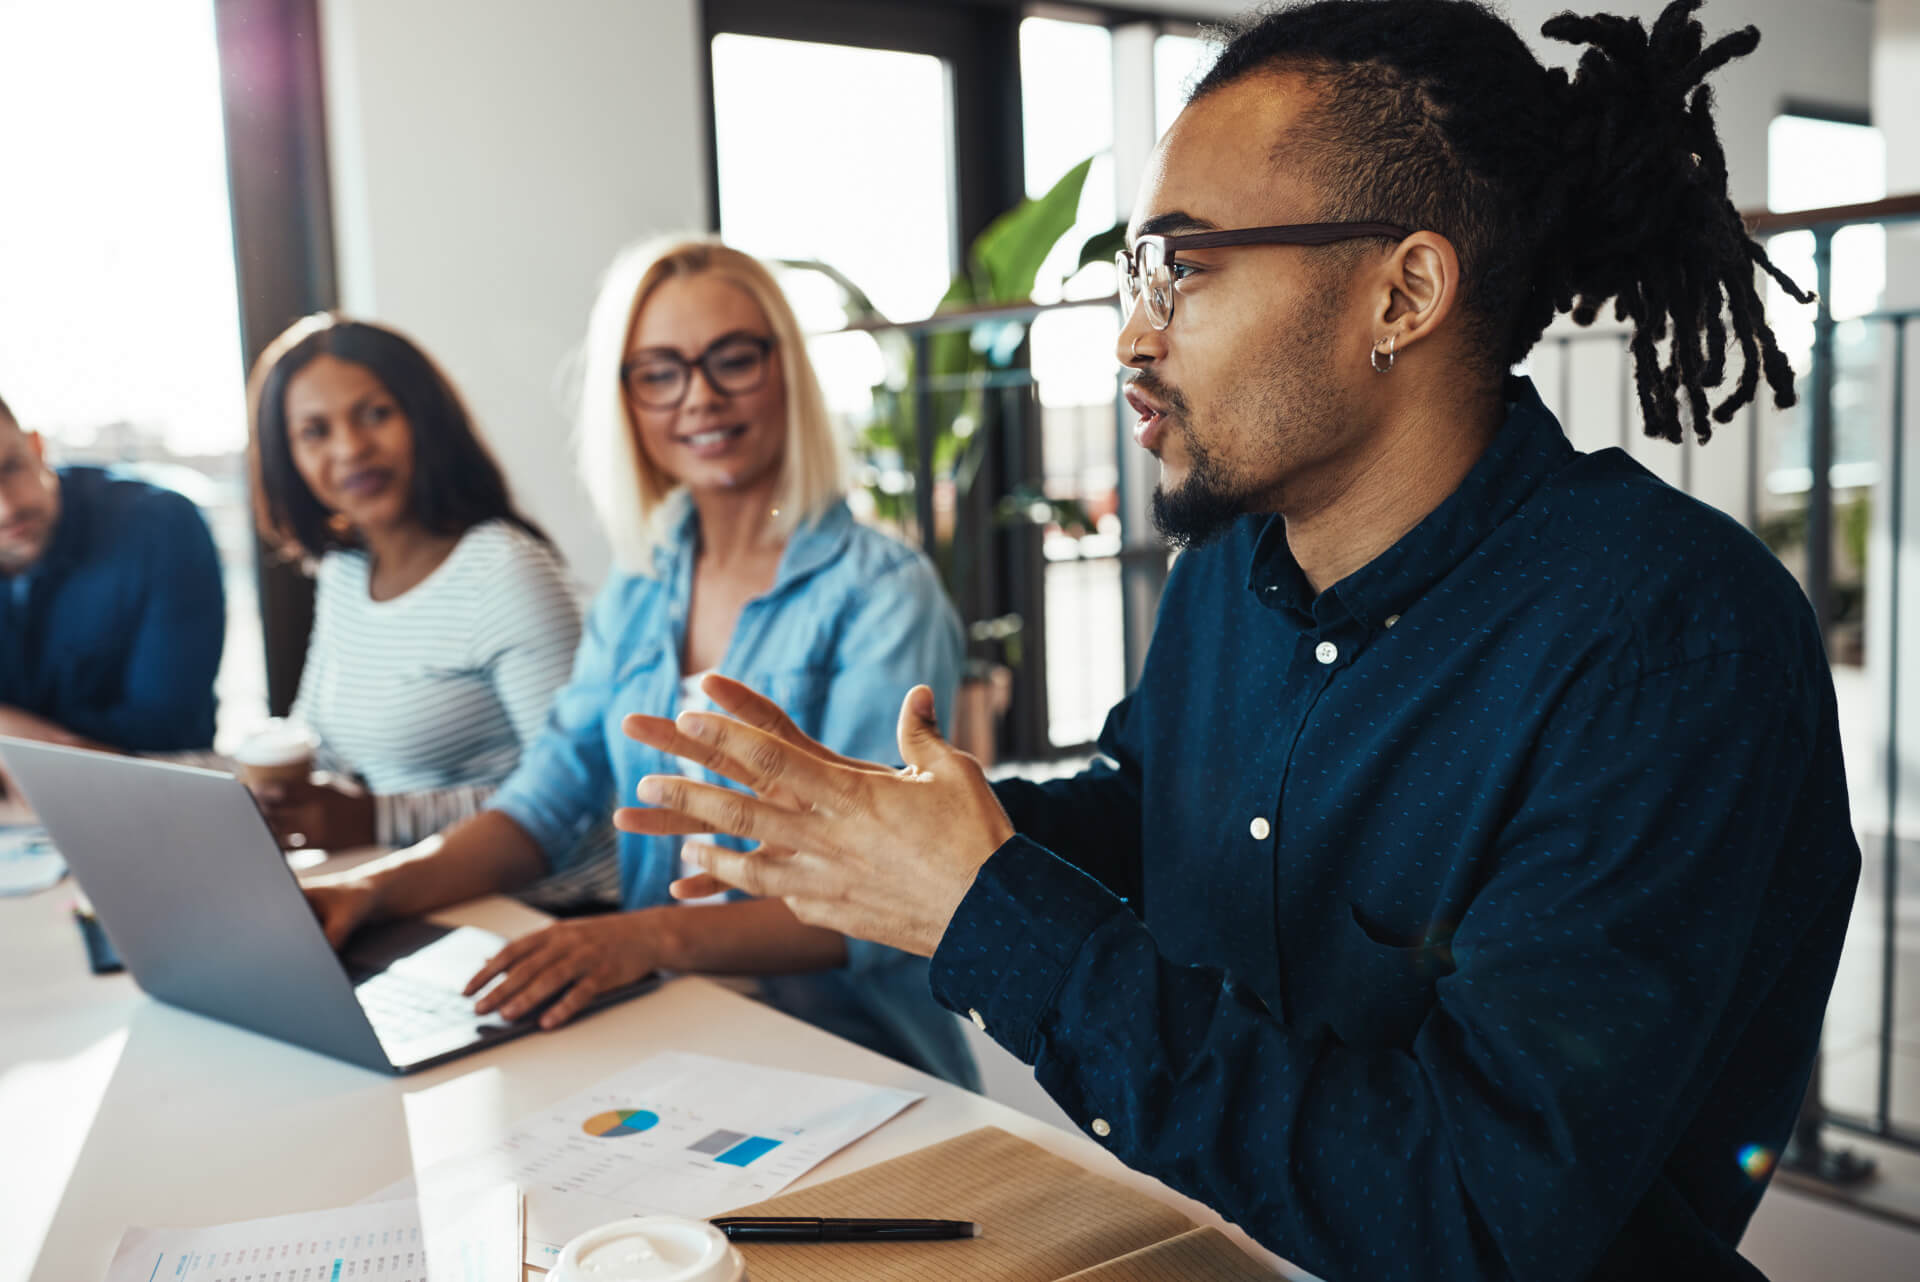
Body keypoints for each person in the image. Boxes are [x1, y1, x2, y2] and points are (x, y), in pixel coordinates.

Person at [616, 2, 1859, 1277]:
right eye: (1134, 277)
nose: (1132, 336)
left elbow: (1480, 1213)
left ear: (1405, 291)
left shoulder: (1670, 648)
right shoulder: (1237, 558)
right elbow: (1158, 816)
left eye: (1184, 269)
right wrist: (896, 828)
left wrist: (990, 913)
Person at [304, 239, 975, 1087]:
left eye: (732, 360)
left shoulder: (883, 593)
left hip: (848, 1058)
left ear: (786, 372)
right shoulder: (642, 588)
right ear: (626, 400)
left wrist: (645, 937)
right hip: (675, 1030)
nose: (699, 397)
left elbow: (882, 892)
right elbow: (550, 795)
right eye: (659, 372)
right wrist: (379, 889)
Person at [244, 316, 616, 904]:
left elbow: (578, 795)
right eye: (315, 432)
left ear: (425, 419)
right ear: (287, 457)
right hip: (414, 892)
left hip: (548, 910)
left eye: (374, 414)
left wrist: (377, 819)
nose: (350, 448)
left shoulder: (503, 571)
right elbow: (322, 742)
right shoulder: (344, 571)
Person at [0, 389, 224, 754]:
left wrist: (12, 735)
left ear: (37, 447)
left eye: (10, 467)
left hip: (148, 798)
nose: (6, 508)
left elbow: (168, 732)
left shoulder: (160, 528)